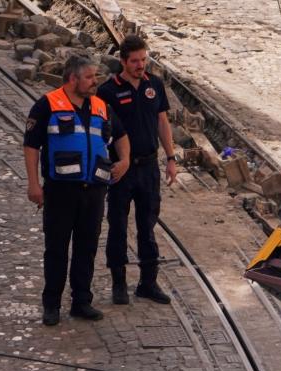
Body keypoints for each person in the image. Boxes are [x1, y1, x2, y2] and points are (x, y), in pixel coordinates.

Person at [24, 55, 130, 326]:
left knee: (87, 248)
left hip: (94, 191)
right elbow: (31, 146)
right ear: (73, 78)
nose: (95, 82)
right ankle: (52, 305)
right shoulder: (47, 105)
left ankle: (82, 301)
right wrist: (34, 184)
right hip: (60, 191)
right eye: (90, 77)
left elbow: (121, 135)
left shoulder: (101, 106)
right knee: (56, 249)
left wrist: (125, 161)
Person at [97, 35, 178, 306]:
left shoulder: (154, 84)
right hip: (121, 170)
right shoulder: (108, 91)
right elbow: (101, 132)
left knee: (148, 225)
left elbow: (162, 122)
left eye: (144, 59)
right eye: (135, 61)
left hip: (149, 167)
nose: (141, 65)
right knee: (118, 226)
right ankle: (119, 283)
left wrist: (171, 158)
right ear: (123, 61)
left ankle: (148, 282)